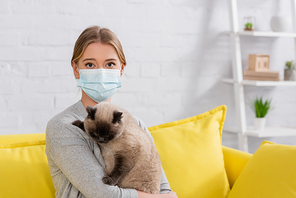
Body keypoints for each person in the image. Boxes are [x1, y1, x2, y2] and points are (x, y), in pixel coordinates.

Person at [45, 25, 178, 198]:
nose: (101, 72)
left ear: (121, 69)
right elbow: (103, 194)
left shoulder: (136, 124)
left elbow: (162, 186)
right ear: (76, 69)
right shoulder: (63, 126)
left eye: (110, 64)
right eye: (90, 64)